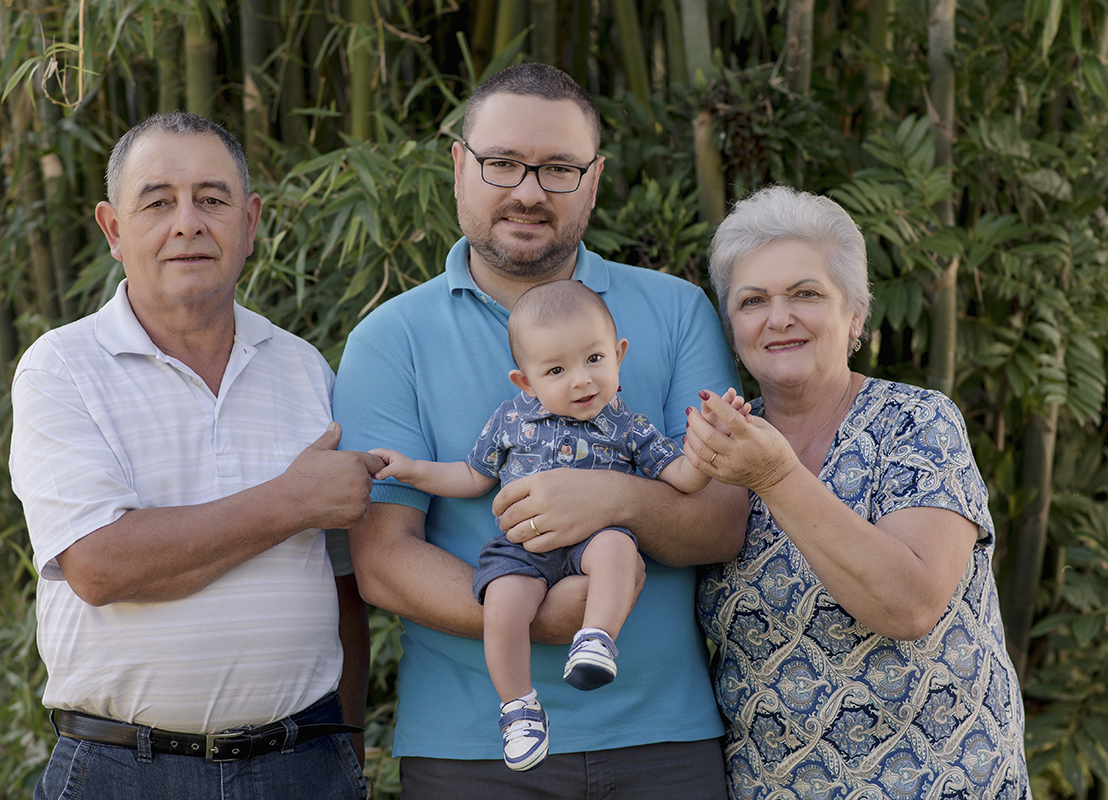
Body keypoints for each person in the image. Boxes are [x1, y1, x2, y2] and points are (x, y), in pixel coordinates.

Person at [332, 63, 747, 798]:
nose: (528, 190)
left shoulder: (678, 312)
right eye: (501, 163)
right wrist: (538, 617)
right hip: (472, 750)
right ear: (460, 165)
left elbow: (722, 523)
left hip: (665, 736)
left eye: (558, 168)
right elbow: (384, 559)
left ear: (593, 179)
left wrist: (612, 500)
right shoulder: (388, 339)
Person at [9, 111, 383, 800]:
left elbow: (342, 582)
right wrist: (290, 500)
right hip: (122, 772)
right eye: (157, 202)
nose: (187, 222)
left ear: (251, 222)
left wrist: (348, 745)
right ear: (113, 230)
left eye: (212, 199)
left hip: (306, 763)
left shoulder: (304, 370)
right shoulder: (61, 368)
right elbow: (99, 564)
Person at [683, 185, 1031, 799]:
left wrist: (777, 478)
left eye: (807, 294)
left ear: (855, 316)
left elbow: (910, 603)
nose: (779, 317)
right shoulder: (719, 448)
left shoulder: (915, 422)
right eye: (752, 300)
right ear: (731, 326)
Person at [368, 280, 727, 772]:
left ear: (618, 354)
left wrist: (709, 444)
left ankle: (597, 639)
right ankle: (519, 707)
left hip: (595, 537)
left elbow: (683, 478)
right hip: (524, 546)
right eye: (557, 370)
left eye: (594, 360)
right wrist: (412, 470)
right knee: (502, 601)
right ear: (526, 382)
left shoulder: (626, 423)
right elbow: (471, 475)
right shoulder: (511, 421)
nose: (581, 380)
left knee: (619, 552)